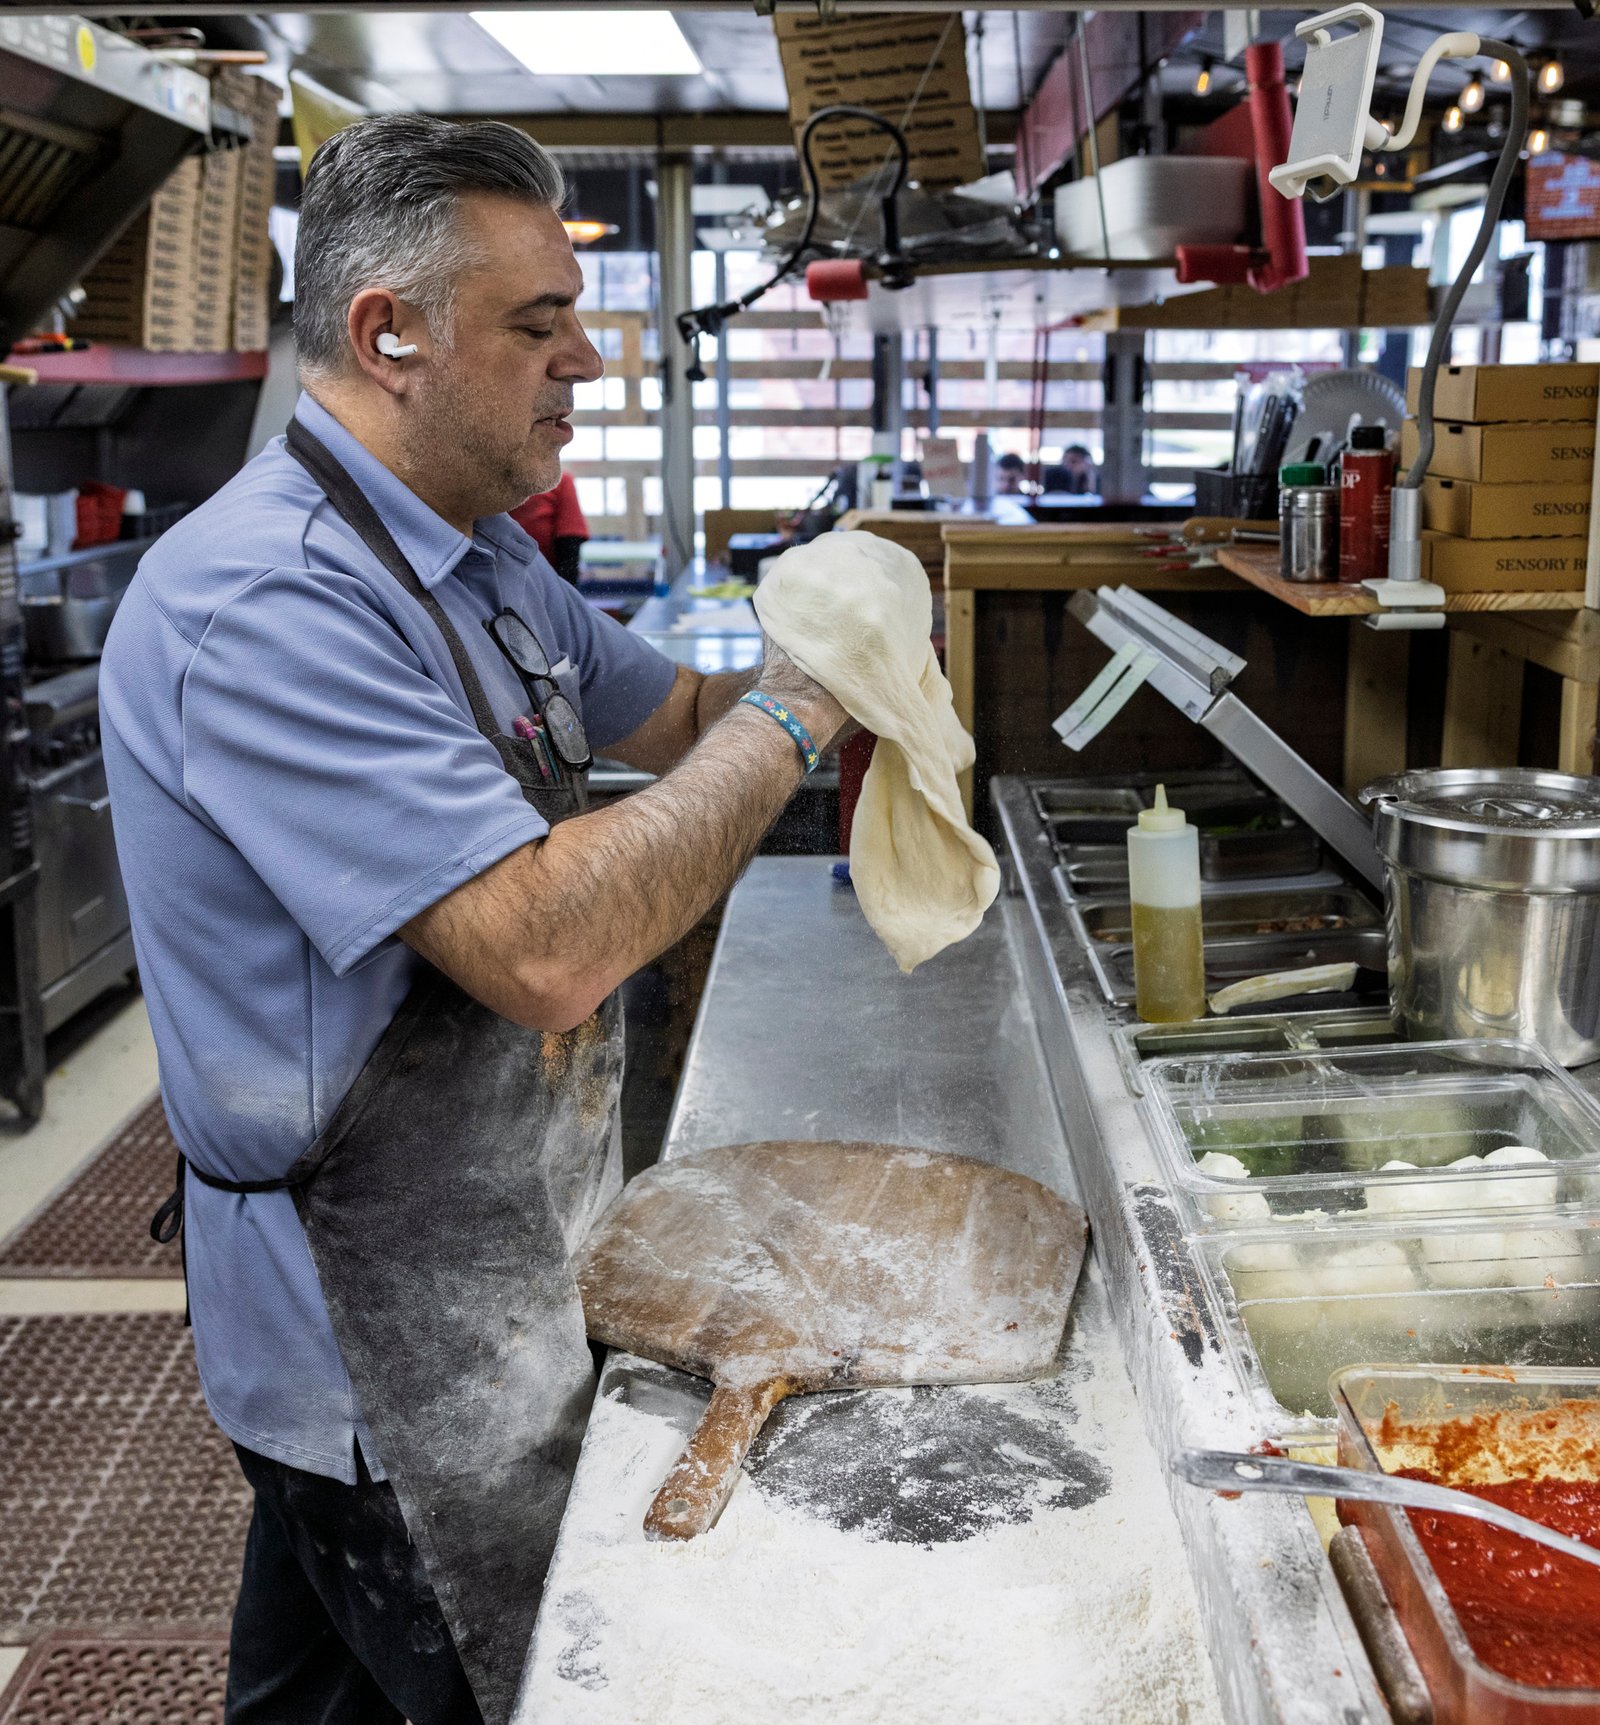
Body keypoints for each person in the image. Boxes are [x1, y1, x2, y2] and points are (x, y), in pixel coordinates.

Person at [101, 114, 847, 1725]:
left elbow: (680, 717)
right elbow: (542, 949)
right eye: (540, 324)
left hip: (507, 1260)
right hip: (380, 1341)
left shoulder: (478, 561)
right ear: (391, 335)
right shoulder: (273, 600)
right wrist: (797, 719)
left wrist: (852, 644)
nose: (590, 361)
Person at [510, 469, 587, 583]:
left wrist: (563, 587)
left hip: (548, 574)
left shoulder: (561, 480)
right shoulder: (501, 485)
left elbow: (570, 540)